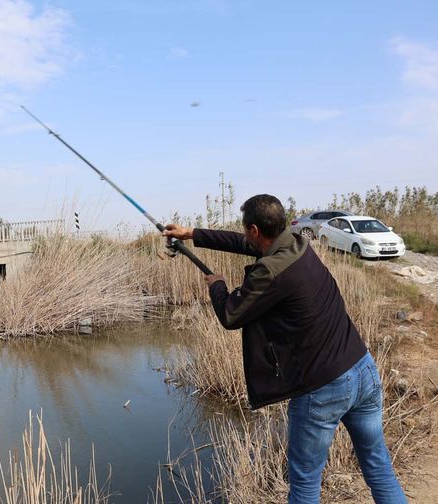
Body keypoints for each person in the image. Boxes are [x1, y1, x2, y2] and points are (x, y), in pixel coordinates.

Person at [163, 194, 407, 504]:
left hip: (323, 388)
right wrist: (191, 234)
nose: (244, 236)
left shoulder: (271, 270)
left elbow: (231, 315)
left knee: (304, 482)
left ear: (254, 229)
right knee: (377, 464)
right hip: (362, 369)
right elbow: (244, 244)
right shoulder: (296, 242)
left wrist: (217, 285)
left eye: (245, 230)